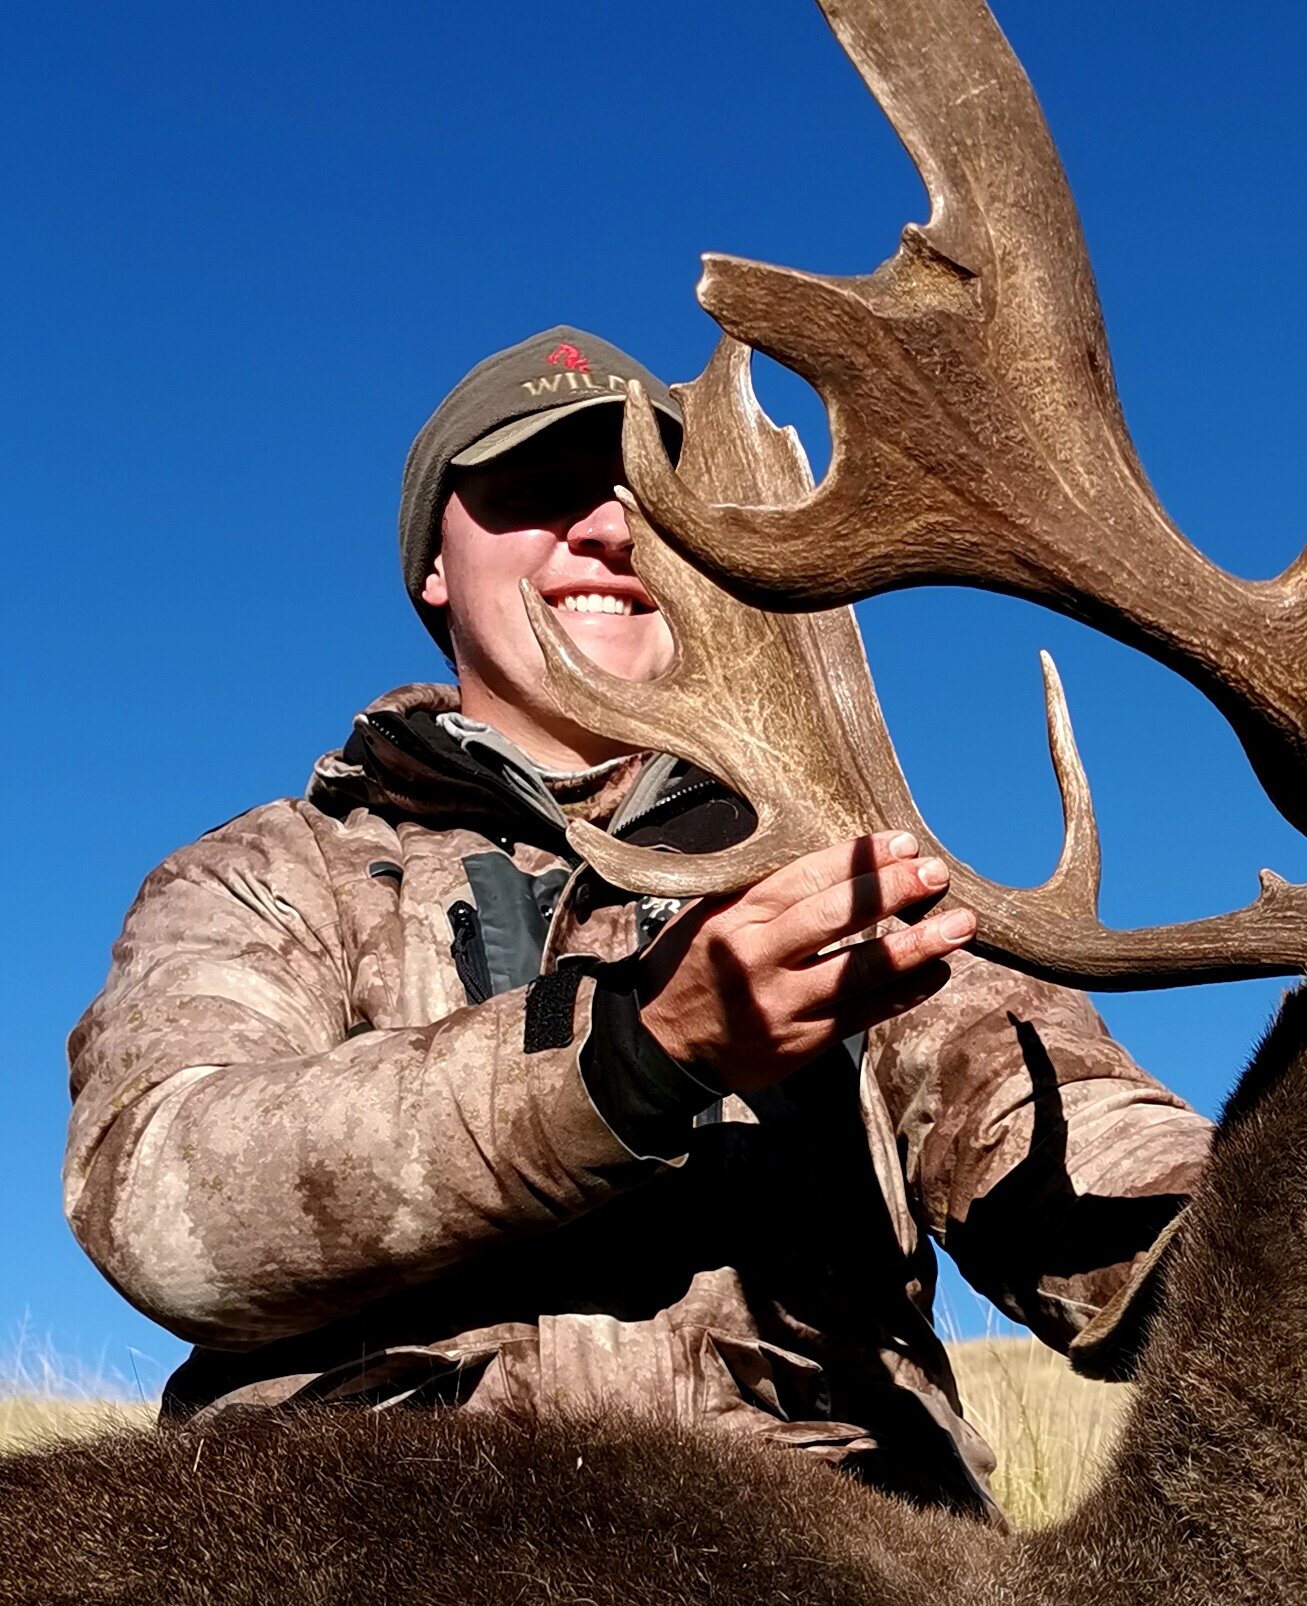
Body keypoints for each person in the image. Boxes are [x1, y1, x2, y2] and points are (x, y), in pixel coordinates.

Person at [65, 327, 1209, 1519]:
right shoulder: (272, 872)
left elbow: (1049, 1118)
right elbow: (161, 1194)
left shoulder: (839, 872)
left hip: (829, 1589)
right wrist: (629, 1056)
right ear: (433, 570)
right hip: (357, 1567)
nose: (608, 529)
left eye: (652, 507)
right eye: (534, 491)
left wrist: (1288, 1225)